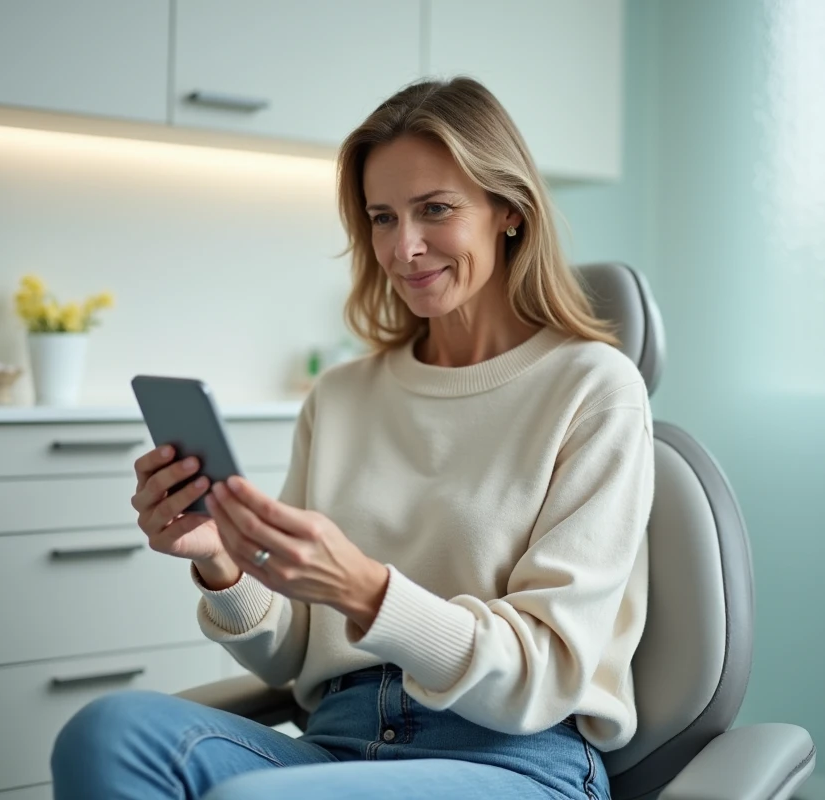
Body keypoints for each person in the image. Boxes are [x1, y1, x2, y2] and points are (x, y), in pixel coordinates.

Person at [51, 76, 654, 800]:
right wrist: (223, 565)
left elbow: (547, 672)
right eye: (382, 217)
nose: (405, 249)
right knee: (104, 734)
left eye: (435, 210)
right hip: (342, 742)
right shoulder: (341, 398)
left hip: (512, 759)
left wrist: (368, 592)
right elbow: (294, 654)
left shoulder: (594, 389)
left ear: (509, 213)